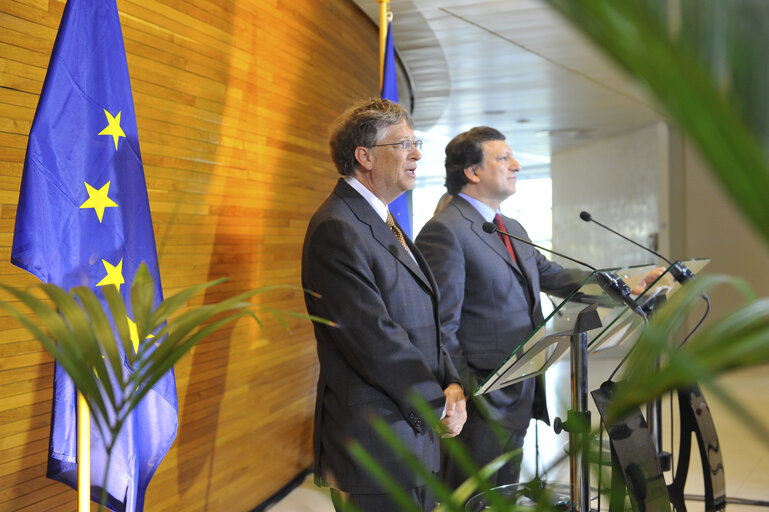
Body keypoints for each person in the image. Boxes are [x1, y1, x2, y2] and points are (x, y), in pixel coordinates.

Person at [301, 98, 467, 512]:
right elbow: (372, 336)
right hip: (376, 444)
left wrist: (452, 383)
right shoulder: (338, 227)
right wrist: (437, 403)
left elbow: (423, 320)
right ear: (365, 157)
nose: (417, 154)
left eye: (416, 143)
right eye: (404, 144)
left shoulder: (383, 219)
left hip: (411, 432)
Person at [414, 126, 588, 489]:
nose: (517, 165)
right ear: (473, 172)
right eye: (503, 158)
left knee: (504, 493)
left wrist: (619, 284)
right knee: (473, 496)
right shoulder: (446, 231)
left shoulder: (511, 227)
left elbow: (550, 275)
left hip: (520, 387)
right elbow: (439, 325)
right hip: (481, 399)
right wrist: (467, 388)